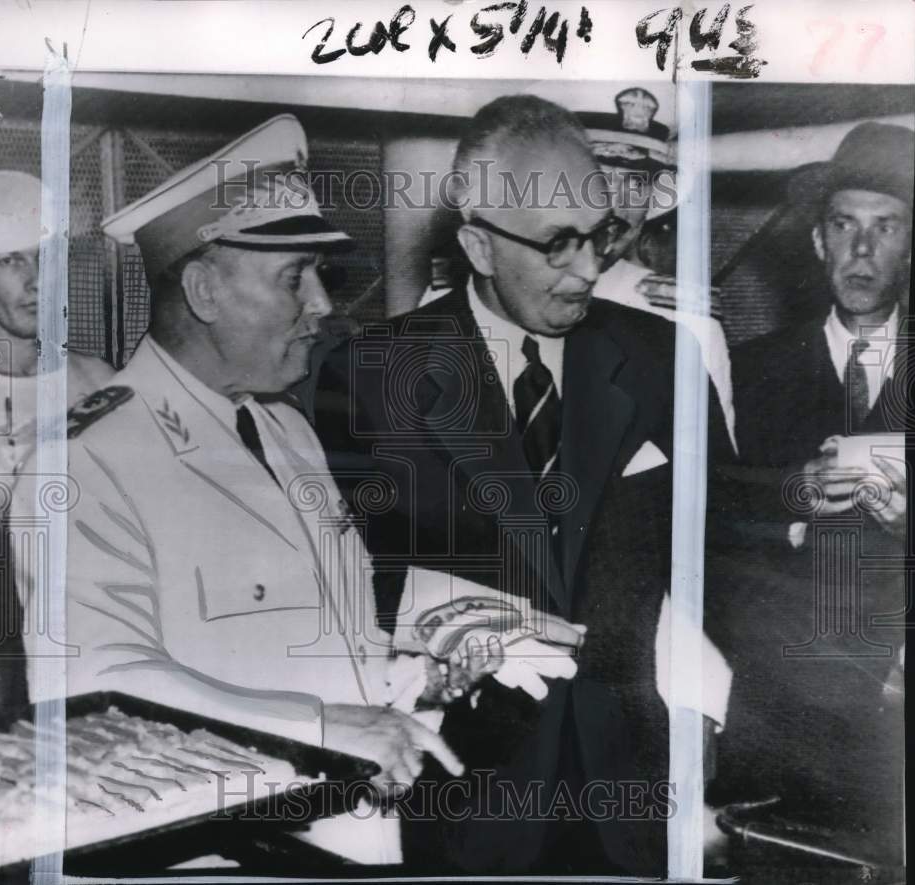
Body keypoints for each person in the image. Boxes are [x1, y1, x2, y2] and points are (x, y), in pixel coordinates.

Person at [9, 114, 577, 865]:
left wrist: (420, 679)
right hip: (215, 854)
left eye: (319, 275)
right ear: (206, 289)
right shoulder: (86, 462)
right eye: (293, 277)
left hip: (353, 834)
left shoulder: (284, 430)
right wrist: (320, 723)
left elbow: (323, 632)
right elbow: (95, 679)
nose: (323, 304)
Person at [315, 95, 732, 875]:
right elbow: (337, 581)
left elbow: (728, 549)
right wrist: (427, 634)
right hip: (460, 786)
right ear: (477, 244)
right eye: (557, 244)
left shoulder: (662, 359)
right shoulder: (370, 375)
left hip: (634, 789)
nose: (590, 268)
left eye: (601, 234)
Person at [708, 122, 910, 864]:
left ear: (912, 245)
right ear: (818, 241)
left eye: (885, 227)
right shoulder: (751, 371)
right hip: (779, 710)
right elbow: (707, 532)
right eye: (844, 226)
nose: (862, 250)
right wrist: (792, 496)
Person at [0, 170, 114, 715]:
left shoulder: (103, 385)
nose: (36, 281)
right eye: (11, 260)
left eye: (46, 258)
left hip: (78, 665)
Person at [585, 87, 736, 451]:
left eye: (636, 182)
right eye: (599, 179)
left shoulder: (688, 322)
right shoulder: (474, 299)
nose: (617, 206)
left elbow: (718, 483)